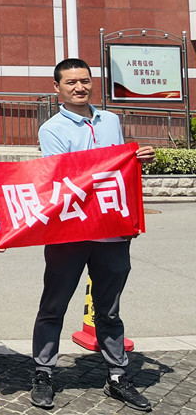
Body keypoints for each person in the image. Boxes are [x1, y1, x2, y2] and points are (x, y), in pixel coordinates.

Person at [30, 59, 156, 412]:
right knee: (53, 305)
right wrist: (113, 162)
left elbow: (117, 174)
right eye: (71, 82)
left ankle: (117, 376)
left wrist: (134, 159)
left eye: (84, 81)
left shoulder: (111, 120)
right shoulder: (52, 129)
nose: (79, 87)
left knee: (109, 310)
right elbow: (64, 176)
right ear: (57, 88)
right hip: (69, 231)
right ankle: (43, 372)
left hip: (112, 233)